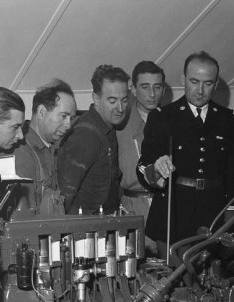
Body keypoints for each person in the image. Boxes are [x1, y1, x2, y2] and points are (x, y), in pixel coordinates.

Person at [137, 51, 234, 257]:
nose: (200, 90)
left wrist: (230, 221)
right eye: (194, 81)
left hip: (214, 215)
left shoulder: (229, 120)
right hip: (174, 215)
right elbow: (144, 166)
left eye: (208, 83)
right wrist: (156, 169)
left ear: (216, 84)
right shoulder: (163, 117)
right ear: (182, 79)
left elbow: (233, 175)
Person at [57, 65, 129, 214]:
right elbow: (65, 195)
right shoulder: (85, 135)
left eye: (124, 100)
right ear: (96, 99)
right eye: (112, 101)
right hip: (84, 229)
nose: (120, 108)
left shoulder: (107, 126)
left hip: (103, 223)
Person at [117, 61, 165, 254]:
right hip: (133, 207)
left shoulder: (171, 120)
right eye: (145, 87)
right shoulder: (120, 123)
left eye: (157, 87)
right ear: (134, 89)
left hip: (164, 205)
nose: (152, 94)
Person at [12, 79, 77, 214]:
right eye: (64, 116)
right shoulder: (22, 153)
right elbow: (24, 217)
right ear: (41, 112)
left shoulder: (50, 148)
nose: (68, 125)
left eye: (71, 118)